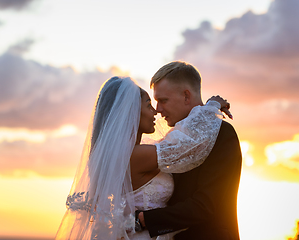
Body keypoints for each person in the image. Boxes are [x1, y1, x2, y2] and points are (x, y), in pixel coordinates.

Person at [55, 75, 231, 240]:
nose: (155, 111)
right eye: (148, 105)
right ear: (131, 113)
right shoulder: (136, 156)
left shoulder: (125, 154)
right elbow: (184, 145)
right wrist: (210, 107)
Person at [136, 61, 242, 240]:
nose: (158, 110)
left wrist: (144, 220)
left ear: (186, 96)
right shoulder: (174, 139)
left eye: (163, 100)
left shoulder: (223, 134)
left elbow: (207, 205)